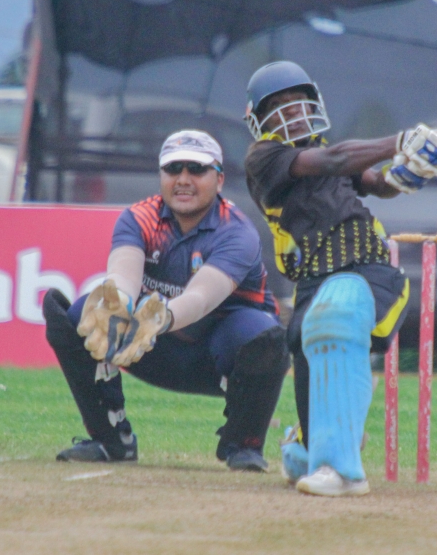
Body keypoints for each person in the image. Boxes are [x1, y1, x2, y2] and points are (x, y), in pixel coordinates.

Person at [243, 61, 437, 496]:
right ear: (259, 118)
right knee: (305, 452)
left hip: (365, 271)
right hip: (313, 286)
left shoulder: (328, 154)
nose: (292, 113)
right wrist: (400, 140)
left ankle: (342, 471)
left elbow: (376, 184)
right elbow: (335, 158)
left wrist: (406, 173)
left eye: (298, 103)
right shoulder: (266, 158)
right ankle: (307, 447)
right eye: (279, 106)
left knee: (337, 313)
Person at [43, 130, 288, 472]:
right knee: (75, 313)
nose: (183, 180)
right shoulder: (138, 217)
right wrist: (117, 305)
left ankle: (243, 444)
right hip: (153, 349)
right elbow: (123, 277)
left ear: (219, 180)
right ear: (161, 176)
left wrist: (157, 320)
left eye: (196, 170)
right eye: (173, 169)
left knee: (265, 334)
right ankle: (111, 439)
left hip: (221, 354)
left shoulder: (237, 231)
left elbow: (201, 297)